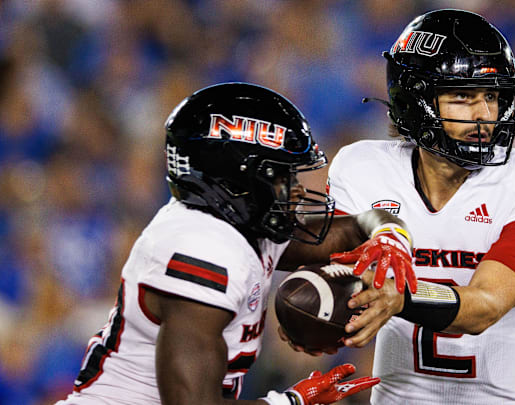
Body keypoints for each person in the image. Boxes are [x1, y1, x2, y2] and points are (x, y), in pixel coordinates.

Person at [55, 82, 417, 405]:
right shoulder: (201, 248)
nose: (295, 190)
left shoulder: (238, 224)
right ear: (236, 178)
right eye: (280, 175)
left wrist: (390, 236)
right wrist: (291, 401)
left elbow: (348, 230)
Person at [326, 9, 515, 404]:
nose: (483, 115)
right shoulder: (363, 169)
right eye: (462, 95)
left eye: (491, 96)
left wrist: (400, 298)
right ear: (414, 98)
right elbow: (334, 273)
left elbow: (487, 305)